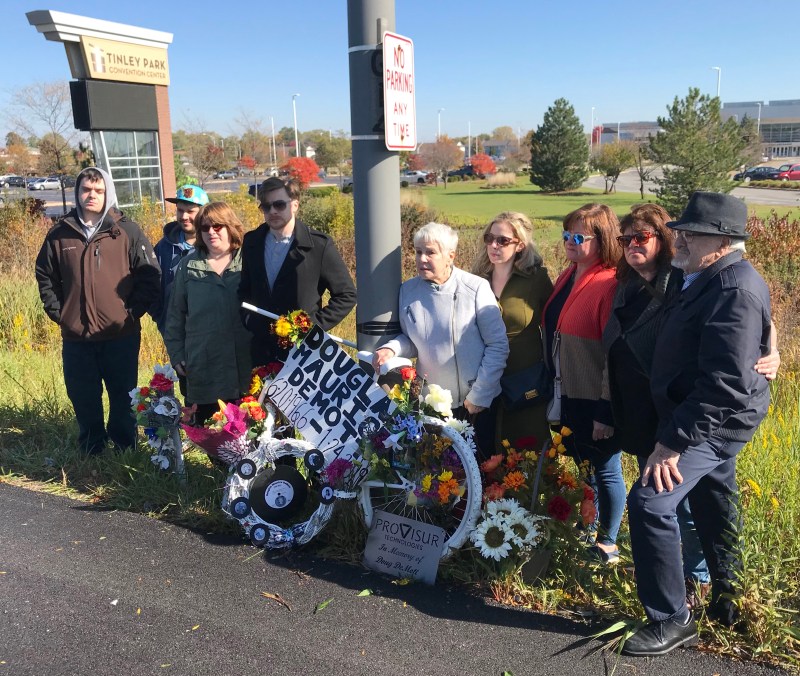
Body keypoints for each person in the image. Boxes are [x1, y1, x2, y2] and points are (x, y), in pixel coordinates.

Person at [603, 203, 780, 612]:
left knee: (650, 501)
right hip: (696, 414)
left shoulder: (732, 287)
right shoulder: (697, 276)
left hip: (711, 421)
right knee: (711, 499)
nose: (679, 238)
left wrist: (671, 443)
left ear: (722, 241)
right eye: (680, 230)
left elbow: (726, 383)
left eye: (691, 233)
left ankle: (670, 618)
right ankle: (729, 598)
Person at [35, 167, 160, 454]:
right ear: (78, 193)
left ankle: (124, 446)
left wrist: (131, 312)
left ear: (108, 194)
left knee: (122, 395)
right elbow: (45, 275)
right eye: (86, 190)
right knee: (83, 396)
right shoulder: (59, 234)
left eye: (99, 190)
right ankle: (92, 447)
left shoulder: (126, 230)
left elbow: (150, 274)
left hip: (120, 334)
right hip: (77, 337)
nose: (92, 195)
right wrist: (60, 313)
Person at [372, 222, 509, 454]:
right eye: (418, 252)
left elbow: (498, 345)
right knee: (438, 476)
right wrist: (392, 349)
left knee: (479, 471)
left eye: (430, 252)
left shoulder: (475, 288)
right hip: (432, 404)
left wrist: (480, 394)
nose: (422, 258)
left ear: (450, 256)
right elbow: (411, 339)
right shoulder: (408, 291)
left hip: (475, 404)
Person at [542, 203, 623, 563]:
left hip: (593, 395)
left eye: (578, 237)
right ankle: (588, 526)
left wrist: (606, 409)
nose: (569, 243)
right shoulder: (568, 273)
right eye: (566, 235)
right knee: (583, 465)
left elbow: (613, 356)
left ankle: (608, 541)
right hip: (566, 389)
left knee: (605, 469)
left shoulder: (610, 283)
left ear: (603, 240)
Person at [238, 176, 356, 367]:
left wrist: (311, 328)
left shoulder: (319, 245)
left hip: (304, 356)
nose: (273, 211)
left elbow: (346, 295)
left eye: (279, 205)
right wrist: (251, 321)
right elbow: (244, 291)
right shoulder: (252, 242)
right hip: (262, 352)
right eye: (266, 207)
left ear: (295, 205)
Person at [164, 203, 253, 426]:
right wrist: (176, 355)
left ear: (230, 227)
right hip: (205, 364)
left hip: (246, 363)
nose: (211, 232)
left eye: (217, 226)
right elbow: (175, 316)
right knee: (212, 433)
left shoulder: (250, 261)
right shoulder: (188, 266)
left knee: (252, 430)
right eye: (205, 227)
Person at [472, 211, 553, 451]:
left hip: (524, 379)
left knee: (526, 451)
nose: (494, 245)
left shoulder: (536, 278)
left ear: (520, 245)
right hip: (482, 379)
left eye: (503, 240)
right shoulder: (475, 280)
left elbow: (555, 325)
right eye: (489, 238)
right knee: (485, 450)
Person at [150, 184, 210, 334]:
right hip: (173, 333)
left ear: (204, 212)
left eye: (191, 211)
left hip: (208, 333)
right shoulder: (163, 246)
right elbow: (152, 285)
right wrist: (161, 318)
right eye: (180, 210)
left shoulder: (214, 245)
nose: (184, 217)